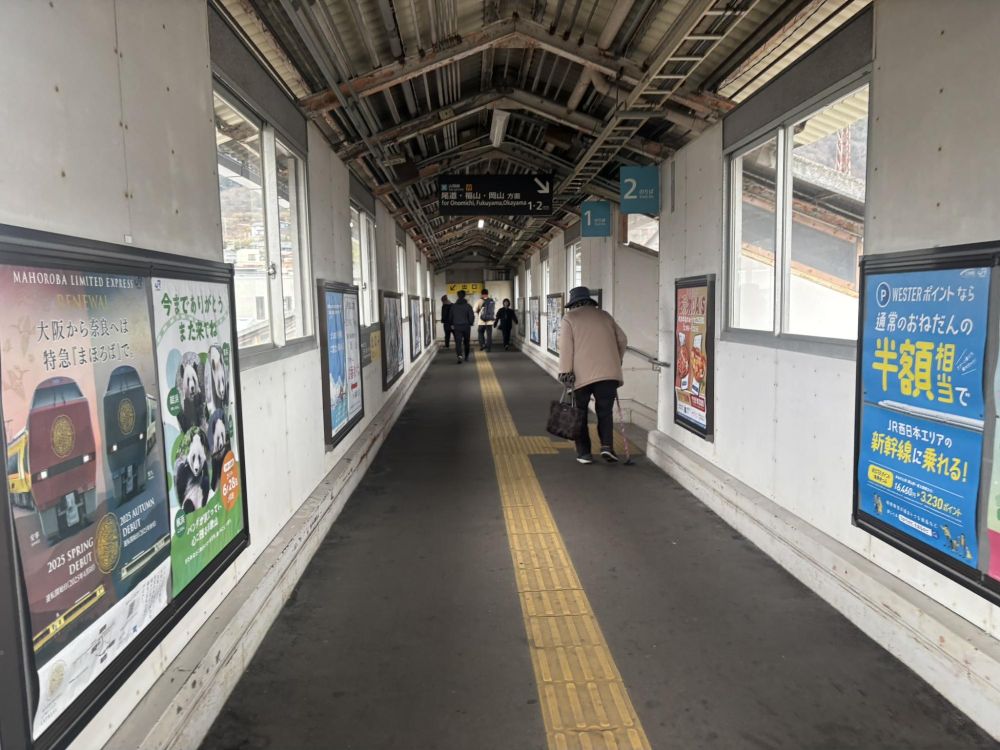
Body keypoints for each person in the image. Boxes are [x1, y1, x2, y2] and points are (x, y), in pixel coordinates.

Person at [557, 286, 627, 465]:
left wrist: (565, 371)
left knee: (579, 413)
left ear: (573, 303)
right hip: (608, 374)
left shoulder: (570, 318)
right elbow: (622, 339)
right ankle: (607, 447)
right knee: (605, 412)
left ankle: (584, 454)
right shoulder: (605, 316)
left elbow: (566, 347)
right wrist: (616, 360)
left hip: (581, 376)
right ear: (589, 301)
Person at [450, 289, 475, 363]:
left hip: (457, 326)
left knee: (458, 342)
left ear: (457, 296)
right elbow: (471, 316)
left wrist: (451, 324)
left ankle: (459, 356)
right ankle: (466, 356)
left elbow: (450, 316)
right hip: (466, 326)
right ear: (464, 296)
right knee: (466, 342)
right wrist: (470, 323)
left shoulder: (453, 306)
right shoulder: (468, 306)